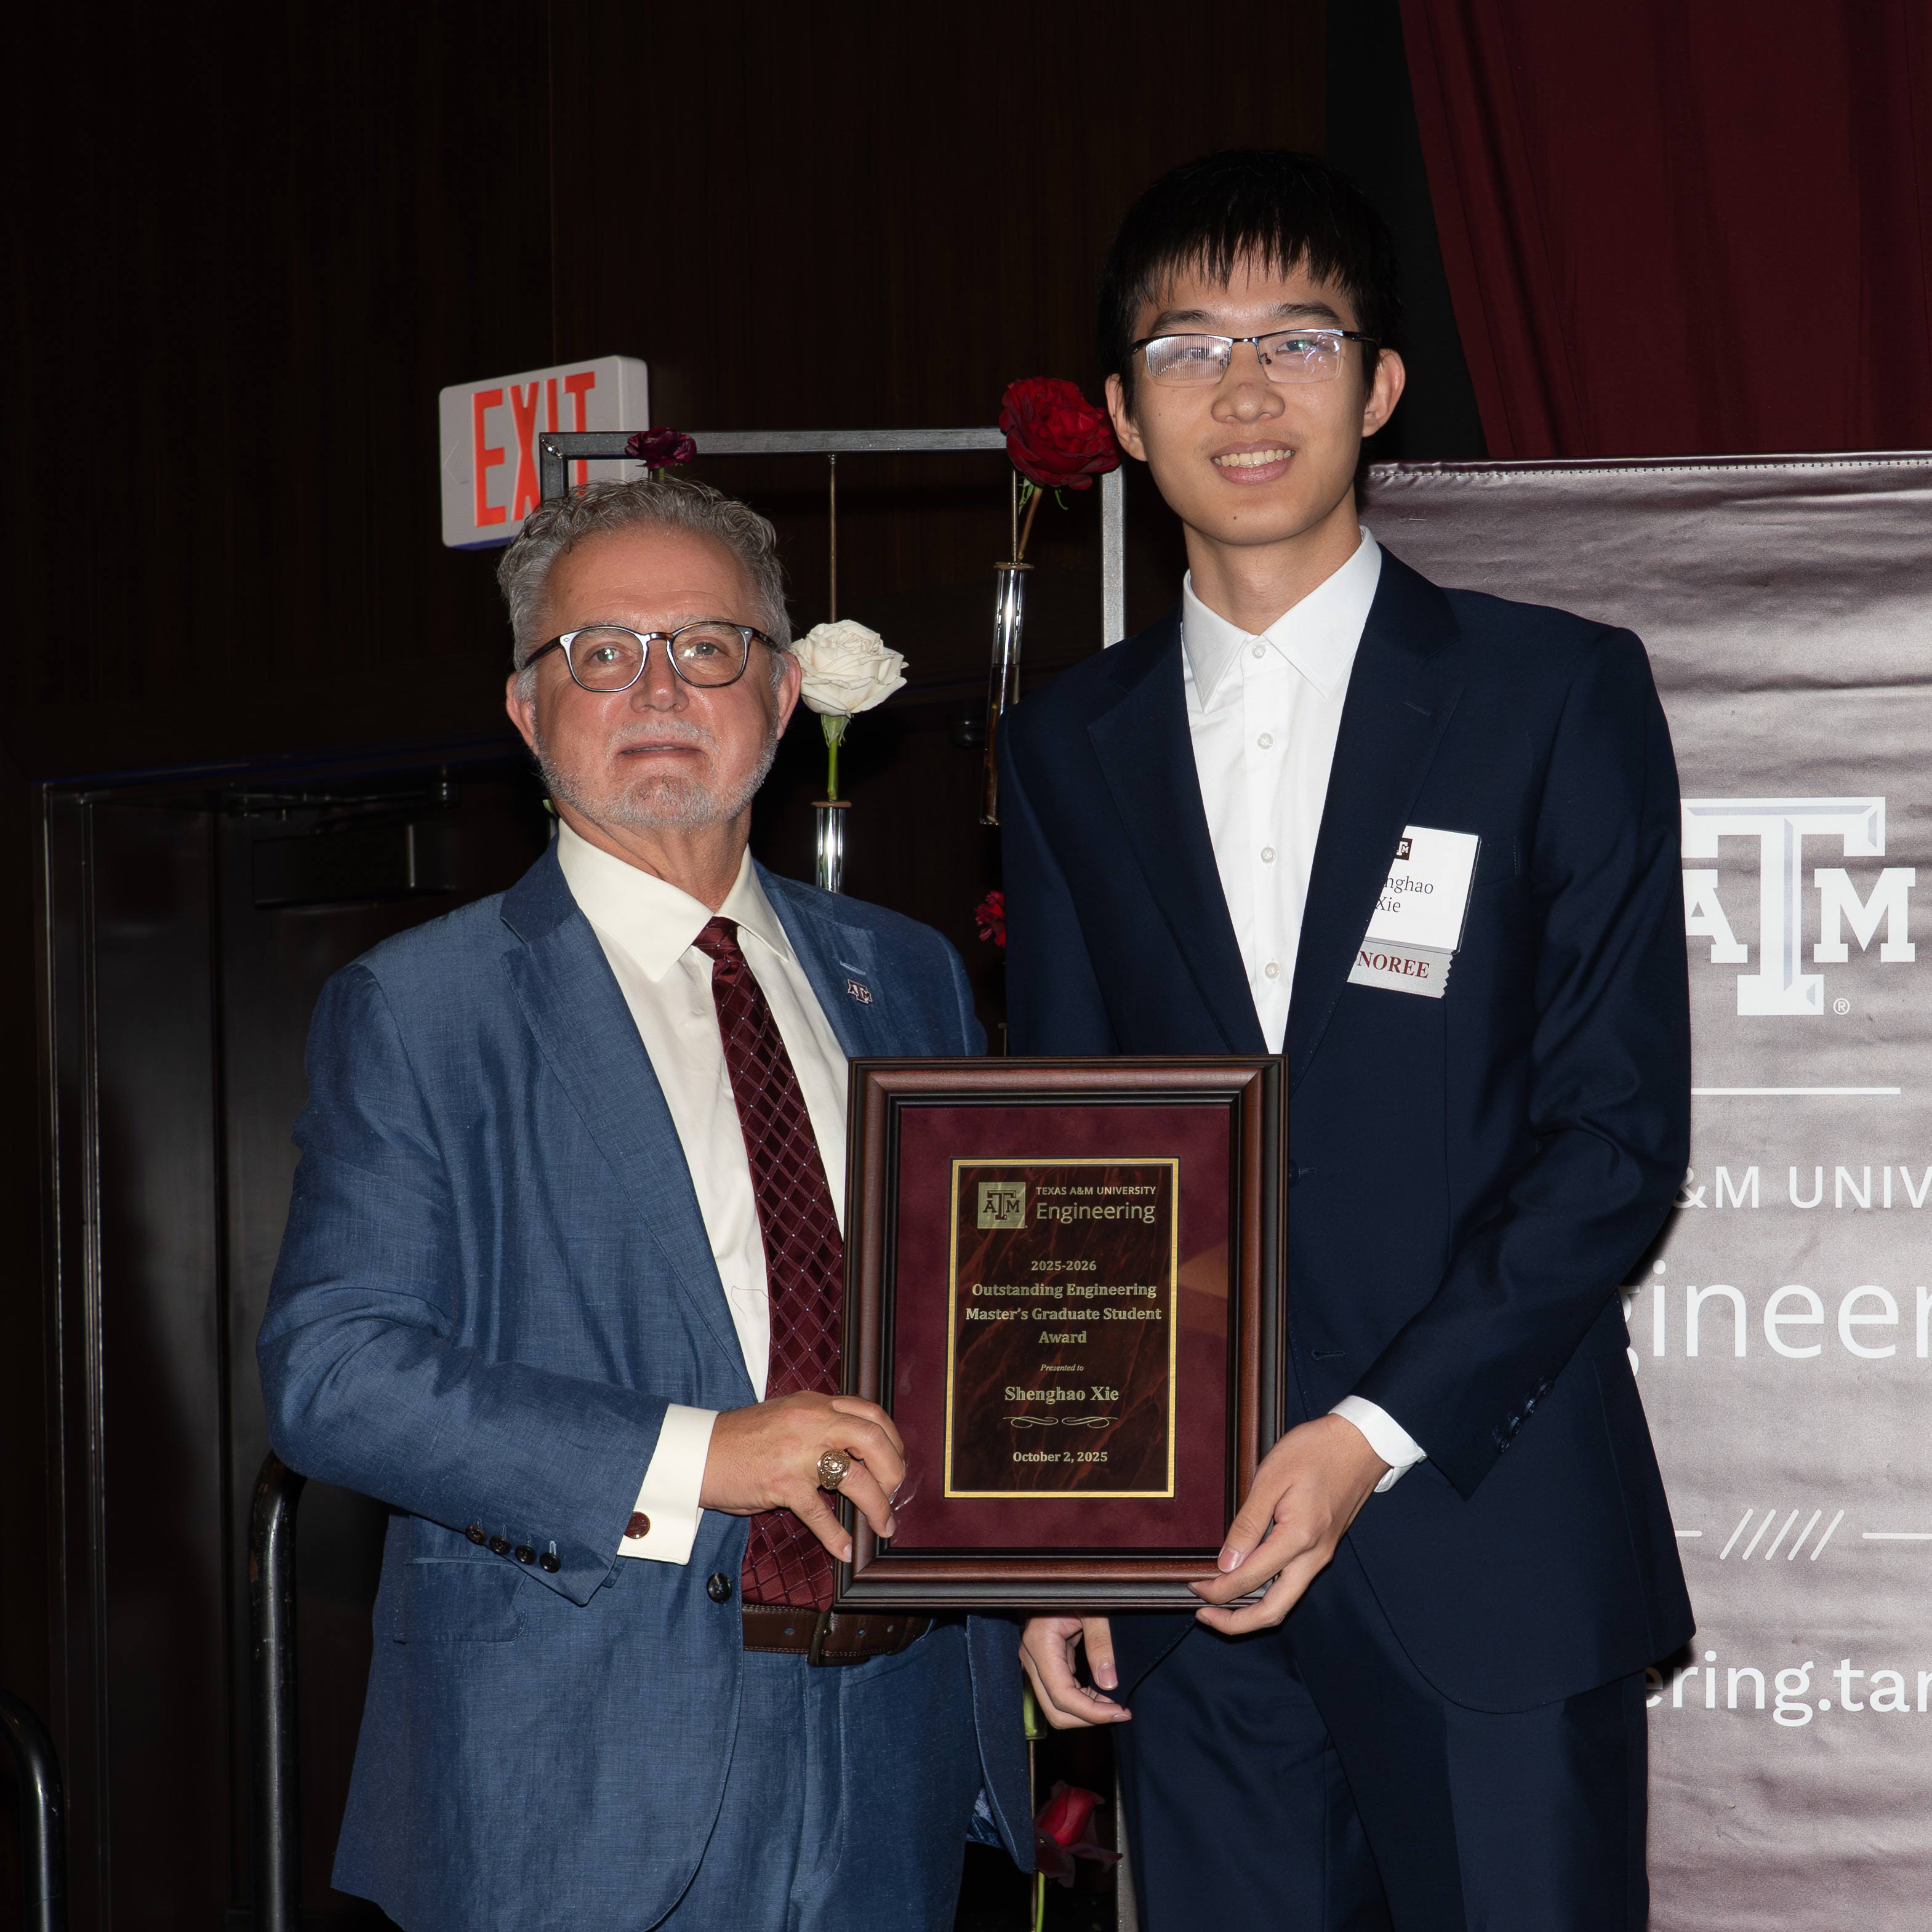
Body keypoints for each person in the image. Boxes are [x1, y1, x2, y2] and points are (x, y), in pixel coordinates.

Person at [1001, 151, 1692, 1931]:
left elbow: (1612, 1135)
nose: (1243, 391)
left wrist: (1366, 1430)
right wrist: (1064, 1531)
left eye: (1297, 339)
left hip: (1482, 1528)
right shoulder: (1068, 740)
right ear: (1119, 414)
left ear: (1377, 388)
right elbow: (1079, 1155)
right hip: (1193, 1574)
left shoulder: (1554, 692)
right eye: (1186, 347)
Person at [258, 475, 1029, 1932]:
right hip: (581, 1777)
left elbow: (971, 1320)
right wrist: (702, 1455)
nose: (657, 687)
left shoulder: (907, 972)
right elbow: (335, 1373)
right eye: (599, 653)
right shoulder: (425, 1008)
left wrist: (1047, 1551)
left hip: (896, 1742)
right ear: (525, 709)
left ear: (786, 688)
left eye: (708, 646)